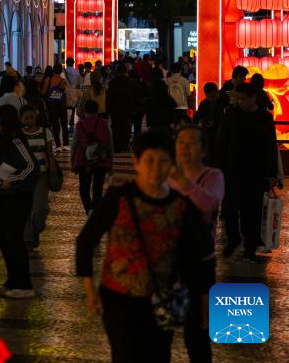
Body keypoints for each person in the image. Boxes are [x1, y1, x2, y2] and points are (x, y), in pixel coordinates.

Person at [76, 131, 209, 363]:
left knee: (159, 356)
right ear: (136, 162)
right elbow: (86, 241)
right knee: (125, 355)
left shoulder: (181, 205)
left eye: (163, 161)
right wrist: (89, 290)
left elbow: (195, 255)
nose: (156, 168)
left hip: (162, 298)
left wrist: (203, 299)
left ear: (171, 164)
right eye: (149, 161)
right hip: (119, 299)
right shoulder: (118, 198)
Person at [168, 125, 224, 363]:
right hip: (168, 262)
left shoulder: (213, 176)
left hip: (200, 263)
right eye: (181, 142)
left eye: (191, 142)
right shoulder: (167, 175)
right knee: (162, 331)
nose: (185, 147)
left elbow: (208, 203)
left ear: (203, 150)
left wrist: (185, 183)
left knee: (198, 330)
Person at [213, 83, 278, 261]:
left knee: (253, 212)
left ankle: (250, 249)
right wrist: (217, 168)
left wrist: (271, 173)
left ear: (254, 98)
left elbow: (271, 146)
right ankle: (234, 238)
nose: (240, 102)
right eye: (238, 98)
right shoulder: (230, 114)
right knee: (230, 208)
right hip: (232, 170)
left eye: (244, 98)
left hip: (255, 172)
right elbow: (221, 142)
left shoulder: (264, 117)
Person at [0, 104, 39, 298]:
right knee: (4, 239)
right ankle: (12, 281)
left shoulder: (16, 141)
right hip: (3, 196)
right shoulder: (0, 140)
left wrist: (12, 181)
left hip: (18, 197)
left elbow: (31, 166)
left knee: (14, 239)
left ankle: (24, 285)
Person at [21, 104, 55, 250]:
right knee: (26, 208)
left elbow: (50, 154)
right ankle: (29, 238)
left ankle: (36, 230)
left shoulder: (45, 132)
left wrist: (52, 172)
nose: (29, 120)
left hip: (41, 174)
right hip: (24, 176)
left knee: (41, 208)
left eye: (32, 117)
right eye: (26, 118)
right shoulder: (19, 134)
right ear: (21, 119)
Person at [73, 99, 113, 214]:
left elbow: (74, 146)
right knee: (98, 189)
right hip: (101, 160)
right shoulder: (104, 124)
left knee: (84, 189)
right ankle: (95, 210)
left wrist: (73, 163)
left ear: (85, 110)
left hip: (84, 162)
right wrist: (111, 165)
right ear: (98, 110)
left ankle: (89, 210)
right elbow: (110, 146)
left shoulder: (80, 125)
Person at [106, 65, 138, 153]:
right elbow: (134, 96)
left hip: (115, 109)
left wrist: (108, 110)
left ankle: (117, 147)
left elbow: (109, 97)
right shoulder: (130, 82)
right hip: (128, 109)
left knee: (116, 128)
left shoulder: (112, 82)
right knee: (126, 128)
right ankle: (124, 147)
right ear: (126, 72)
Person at [41, 63, 70, 150]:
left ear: (53, 70)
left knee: (55, 124)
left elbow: (43, 93)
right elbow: (66, 94)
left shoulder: (48, 80)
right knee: (64, 124)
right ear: (61, 71)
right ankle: (65, 144)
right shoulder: (63, 81)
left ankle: (57, 144)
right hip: (61, 104)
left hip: (51, 105)